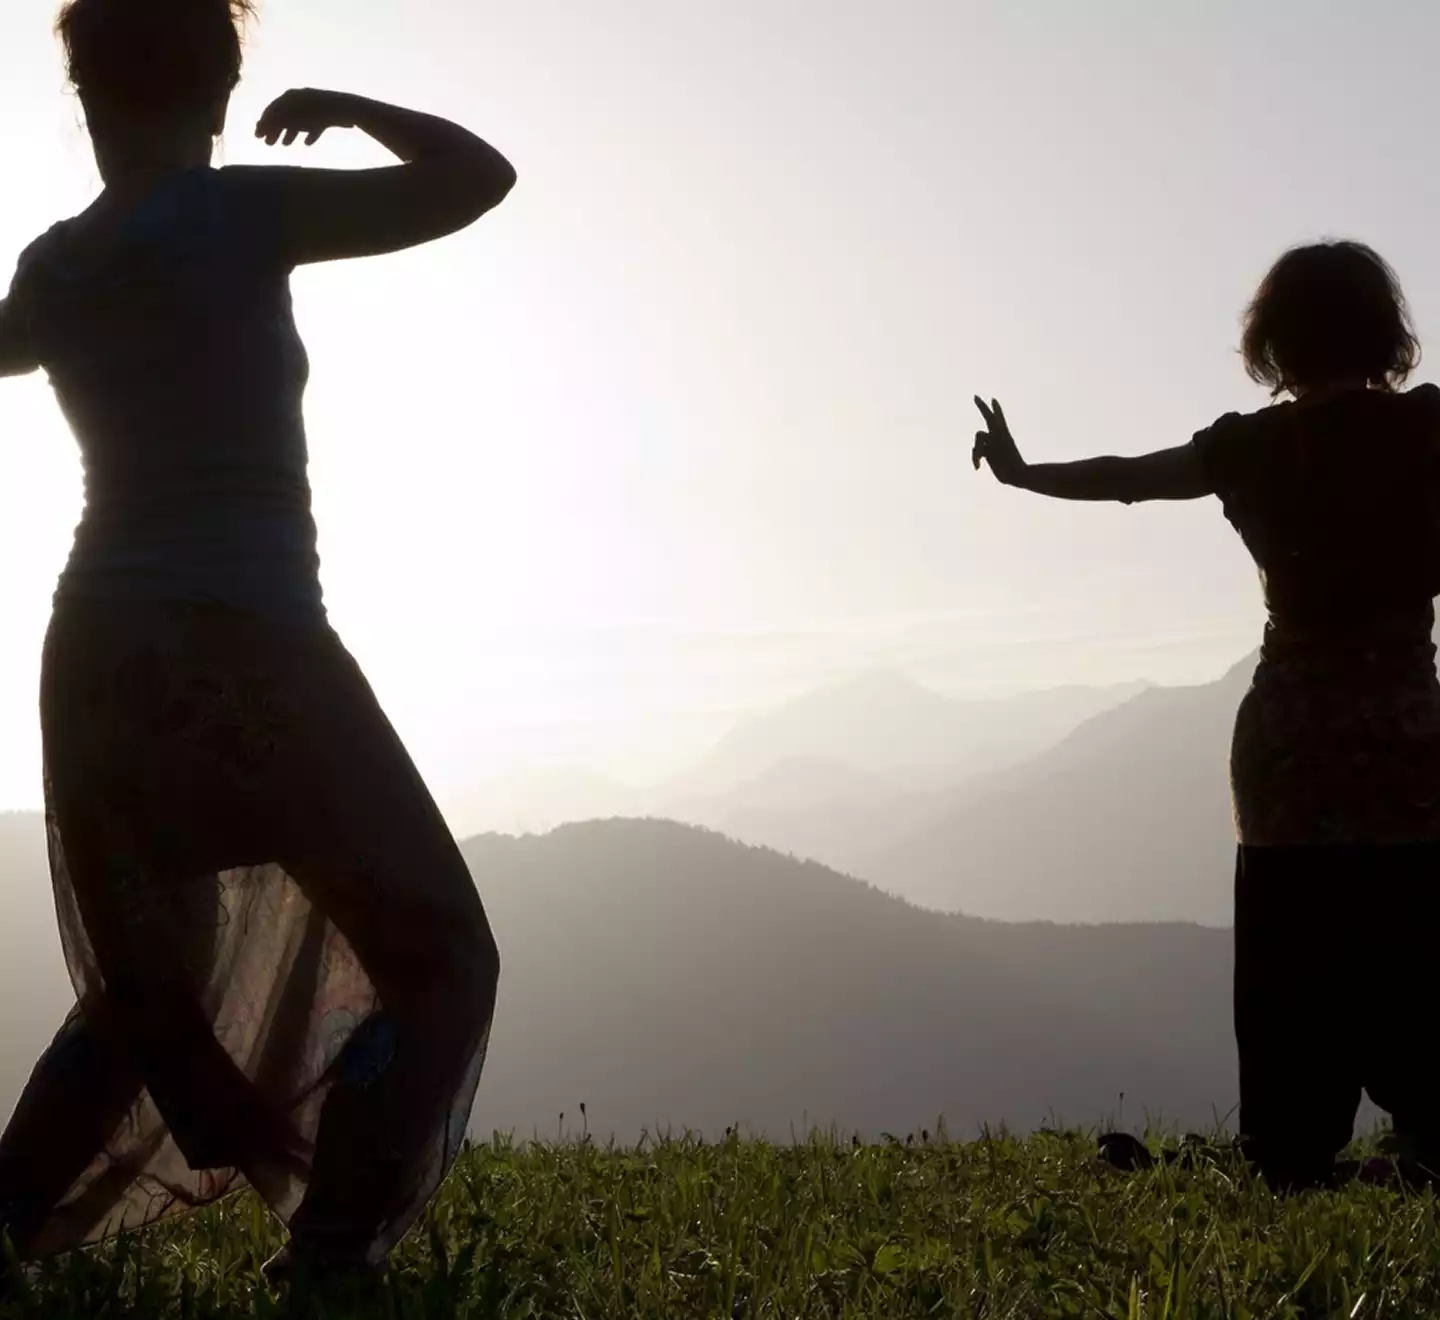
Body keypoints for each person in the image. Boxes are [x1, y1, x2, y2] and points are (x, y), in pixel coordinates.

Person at [0, 0, 515, 1289]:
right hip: (246, 646)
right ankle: (327, 1263)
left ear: (85, 98)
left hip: (97, 658)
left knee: (143, 996)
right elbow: (477, 178)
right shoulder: (242, 213)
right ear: (224, 89)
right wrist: (356, 114)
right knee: (442, 957)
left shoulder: (55, 263)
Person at [972, 238, 1440, 1192]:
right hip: (1408, 746)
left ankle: (1292, 1152)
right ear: (1385, 332)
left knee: (1292, 957)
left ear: (1274, 342)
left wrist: (1022, 473)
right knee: (1413, 945)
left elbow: (1127, 474)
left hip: (1288, 750)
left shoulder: (1254, 449)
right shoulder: (1427, 433)